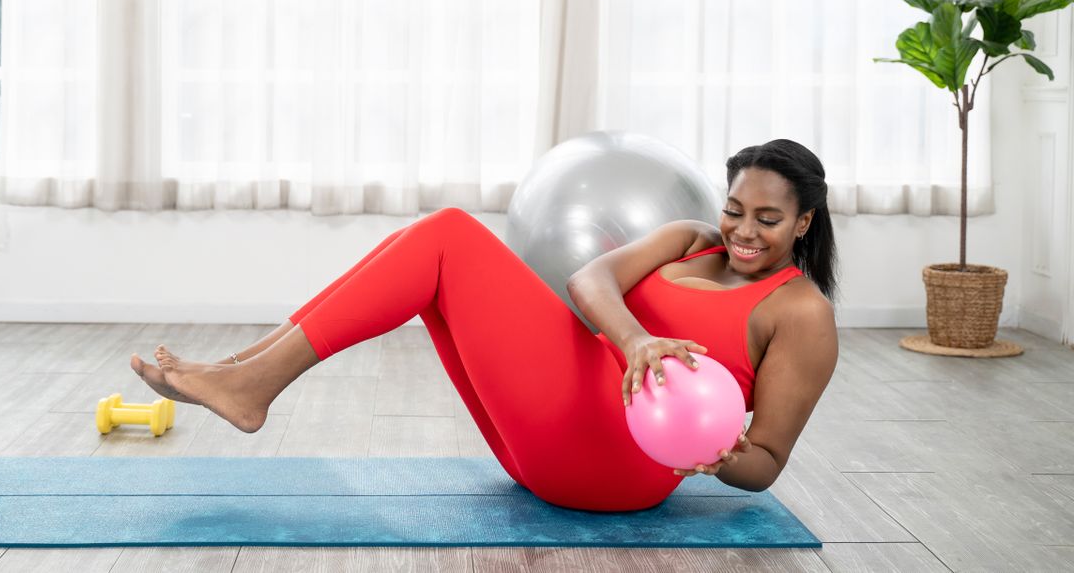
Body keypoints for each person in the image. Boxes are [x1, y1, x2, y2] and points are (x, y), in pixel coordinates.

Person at [130, 138, 839, 512]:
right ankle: (243, 370)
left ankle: (250, 384)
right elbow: (586, 279)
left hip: (619, 467)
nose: (743, 231)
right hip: (545, 445)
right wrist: (637, 340)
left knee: (445, 237)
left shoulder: (800, 312)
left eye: (768, 220)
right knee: (428, 261)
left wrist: (719, 458)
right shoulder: (692, 238)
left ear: (803, 221)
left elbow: (767, 462)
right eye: (736, 210)